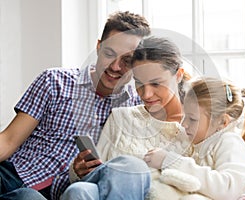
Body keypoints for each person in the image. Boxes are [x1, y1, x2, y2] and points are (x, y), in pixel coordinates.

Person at [67, 37, 245, 200]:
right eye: (139, 84)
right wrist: (78, 172)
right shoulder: (122, 117)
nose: (146, 94)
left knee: (132, 167)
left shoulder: (204, 118)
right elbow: (97, 170)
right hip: (106, 190)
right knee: (78, 191)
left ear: (178, 75)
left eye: (156, 83)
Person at [0, 11, 150, 200]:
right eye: (109, 54)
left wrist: (80, 172)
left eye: (127, 61)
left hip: (63, 193)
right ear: (98, 47)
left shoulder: (135, 107)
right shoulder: (54, 81)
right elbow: (8, 140)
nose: (115, 67)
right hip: (12, 175)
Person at [144, 77, 245, 199]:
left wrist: (170, 161)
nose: (184, 124)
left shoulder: (229, 142)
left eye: (192, 119)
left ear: (222, 122)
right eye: (184, 116)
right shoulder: (194, 140)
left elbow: (228, 189)